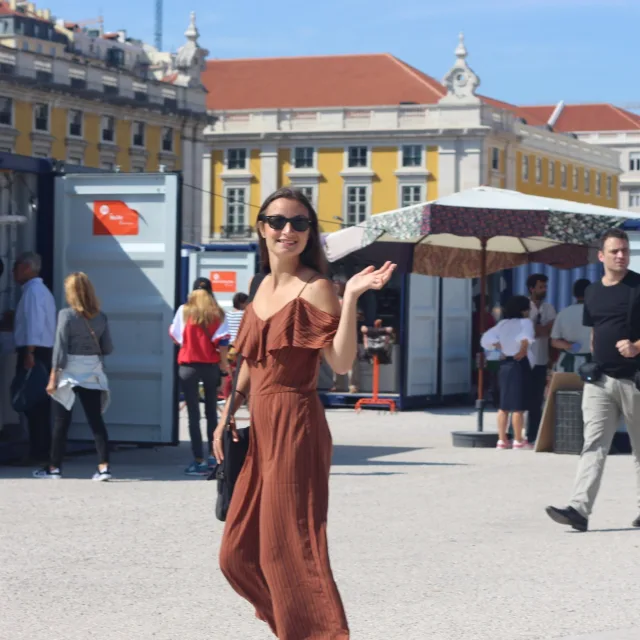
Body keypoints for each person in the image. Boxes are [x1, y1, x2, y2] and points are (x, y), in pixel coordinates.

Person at [214, 187, 396, 640]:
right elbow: (250, 363)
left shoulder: (315, 287)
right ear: (262, 228)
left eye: (299, 223)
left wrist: (350, 296)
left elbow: (339, 362)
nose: (287, 231)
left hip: (296, 423)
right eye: (277, 222)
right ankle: (298, 631)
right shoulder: (259, 288)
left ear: (310, 232)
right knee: (236, 554)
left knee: (291, 548)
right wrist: (226, 415)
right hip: (261, 428)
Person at [547, 229, 640, 532]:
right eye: (614, 251)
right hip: (599, 381)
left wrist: (637, 347)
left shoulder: (638, 286)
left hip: (634, 381)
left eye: (625, 250)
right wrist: (591, 360)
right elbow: (594, 331)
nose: (621, 256)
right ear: (601, 256)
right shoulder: (593, 292)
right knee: (593, 445)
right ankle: (579, 510)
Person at [34, 272, 113, 480]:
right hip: (92, 371)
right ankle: (104, 466)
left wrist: (53, 377)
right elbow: (108, 347)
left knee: (61, 421)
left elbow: (59, 348)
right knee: (96, 420)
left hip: (69, 370)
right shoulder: (101, 316)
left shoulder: (66, 315)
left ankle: (55, 468)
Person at [170, 288, 230, 475]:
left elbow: (175, 336)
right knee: (212, 412)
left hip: (188, 366)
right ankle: (214, 456)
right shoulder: (217, 313)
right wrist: (224, 371)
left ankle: (198, 460)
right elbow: (223, 344)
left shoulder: (184, 311)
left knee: (193, 415)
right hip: (210, 367)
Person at [13, 252, 56, 463]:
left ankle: (38, 452)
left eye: (17, 266)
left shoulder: (33, 292)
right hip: (41, 350)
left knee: (32, 404)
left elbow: (34, 324)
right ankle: (41, 450)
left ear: (28, 268)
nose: (14, 271)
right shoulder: (40, 291)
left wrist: (29, 353)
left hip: (35, 351)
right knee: (38, 403)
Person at [480, 295, 535, 450]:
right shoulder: (526, 322)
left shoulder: (502, 324)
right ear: (523, 310)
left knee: (503, 404)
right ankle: (518, 439)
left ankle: (502, 439)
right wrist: (523, 349)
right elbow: (526, 337)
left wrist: (499, 347)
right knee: (518, 405)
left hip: (504, 363)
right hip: (519, 363)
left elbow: (486, 339)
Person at [526, 273, 556, 444]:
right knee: (521, 396)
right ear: (532, 289)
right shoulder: (524, 306)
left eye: (545, 287)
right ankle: (513, 432)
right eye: (540, 287)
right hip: (525, 358)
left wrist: (538, 329)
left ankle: (533, 433)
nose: (544, 290)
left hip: (541, 358)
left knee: (537, 398)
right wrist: (540, 329)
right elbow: (530, 331)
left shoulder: (549, 308)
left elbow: (549, 331)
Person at [550, 278, 592, 373]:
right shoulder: (597, 313)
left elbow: (554, 341)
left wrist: (570, 345)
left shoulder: (563, 313)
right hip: (592, 365)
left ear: (574, 294)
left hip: (568, 365)